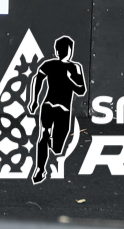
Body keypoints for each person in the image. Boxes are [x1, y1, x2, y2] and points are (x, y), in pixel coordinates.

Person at [28, 35, 85, 186]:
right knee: (44, 134)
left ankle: (50, 143)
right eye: (63, 49)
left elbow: (81, 90)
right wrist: (34, 100)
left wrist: (69, 80)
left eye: (66, 49)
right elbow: (37, 79)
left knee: (57, 147)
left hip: (62, 110)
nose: (65, 52)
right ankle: (40, 169)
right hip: (50, 106)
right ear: (58, 50)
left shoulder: (75, 67)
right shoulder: (50, 65)